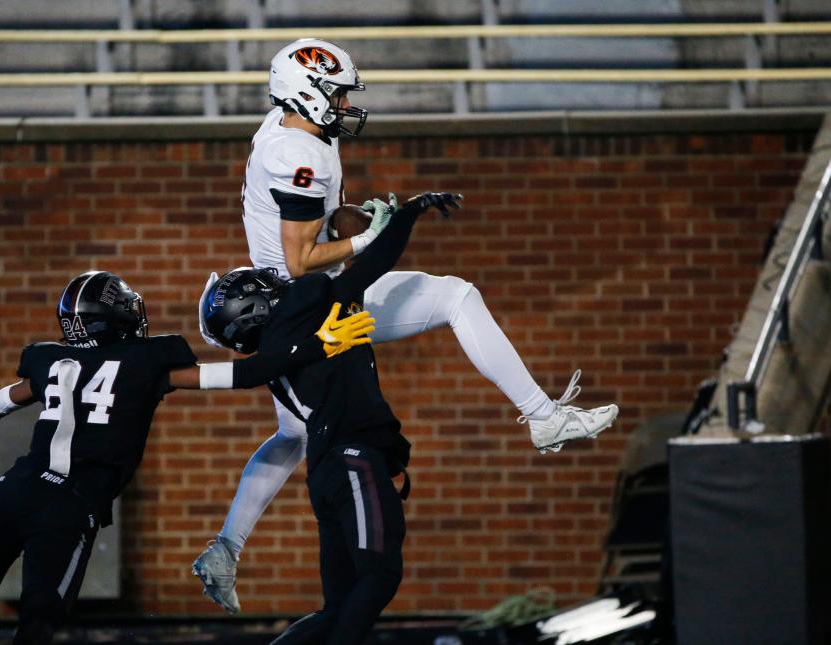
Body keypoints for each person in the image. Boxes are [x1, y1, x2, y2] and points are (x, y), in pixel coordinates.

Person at [192, 38, 619, 614]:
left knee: (295, 434)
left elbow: (317, 223)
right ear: (307, 93)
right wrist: (371, 237)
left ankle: (224, 548)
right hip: (308, 303)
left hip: (290, 305)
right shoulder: (299, 153)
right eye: (336, 95)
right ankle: (545, 418)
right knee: (455, 297)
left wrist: (363, 218)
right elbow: (299, 259)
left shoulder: (288, 130)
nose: (345, 105)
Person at [0, 270, 373, 645]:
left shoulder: (50, 361)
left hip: (14, 491)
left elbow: (10, 395)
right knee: (41, 616)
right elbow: (244, 374)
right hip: (67, 506)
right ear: (119, 318)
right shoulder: (150, 361)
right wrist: (316, 347)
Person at [201, 191, 463, 644]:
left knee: (339, 606)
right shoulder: (305, 304)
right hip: (353, 460)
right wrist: (408, 214)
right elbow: (372, 266)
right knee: (380, 577)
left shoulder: (273, 354)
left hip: (327, 470)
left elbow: (246, 375)